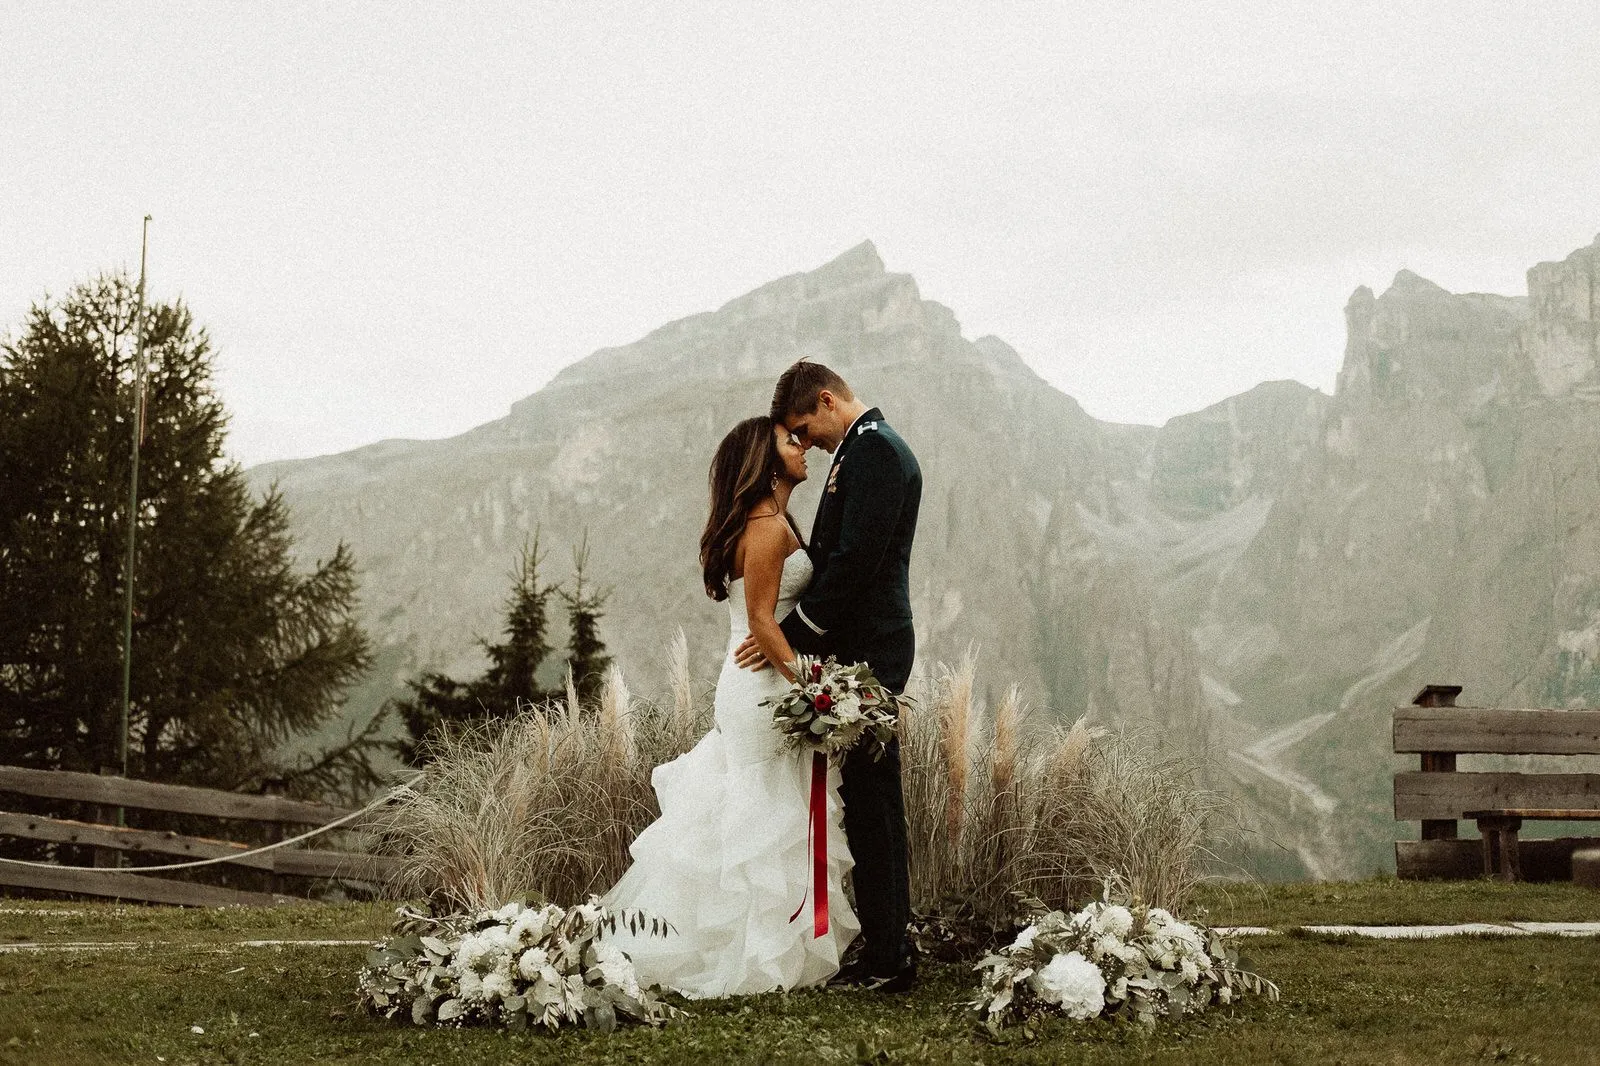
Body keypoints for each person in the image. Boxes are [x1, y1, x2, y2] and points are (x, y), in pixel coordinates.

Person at [602, 416, 859, 997]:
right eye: (790, 442)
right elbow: (764, 624)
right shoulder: (766, 527)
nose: (802, 447)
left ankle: (757, 942)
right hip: (761, 686)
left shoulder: (772, 519)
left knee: (760, 808)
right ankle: (743, 953)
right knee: (757, 812)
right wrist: (820, 693)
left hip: (758, 683)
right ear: (764, 464)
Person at [735, 359, 922, 993]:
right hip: (862, 644)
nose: (805, 442)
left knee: (873, 799)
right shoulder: (864, 451)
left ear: (824, 401)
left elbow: (854, 565)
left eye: (803, 428)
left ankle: (888, 956)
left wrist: (792, 636)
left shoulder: (874, 453)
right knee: (868, 796)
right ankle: (887, 940)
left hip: (873, 647)